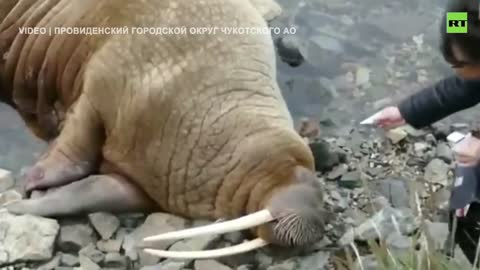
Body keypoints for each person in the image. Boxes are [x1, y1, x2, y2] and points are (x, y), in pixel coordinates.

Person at [373, 0, 480, 264]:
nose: (456, 70)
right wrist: (406, 111)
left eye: (460, 63)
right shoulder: (467, 17)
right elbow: (465, 85)